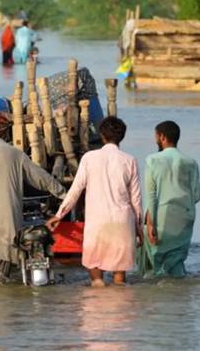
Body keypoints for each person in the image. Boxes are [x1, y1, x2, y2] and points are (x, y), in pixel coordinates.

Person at [0, 114, 67, 282]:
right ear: (7, 133)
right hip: (5, 214)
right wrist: (64, 194)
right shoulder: (16, 154)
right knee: (1, 265)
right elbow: (41, 178)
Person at [47, 117, 143, 286]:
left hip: (97, 223)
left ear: (102, 135)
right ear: (122, 137)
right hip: (122, 222)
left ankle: (96, 300)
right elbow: (136, 200)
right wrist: (139, 229)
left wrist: (59, 215)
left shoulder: (89, 158)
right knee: (120, 281)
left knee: (96, 278)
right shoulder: (130, 160)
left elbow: (75, 190)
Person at [137, 121, 200, 278]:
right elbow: (197, 196)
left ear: (162, 137)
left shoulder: (152, 160)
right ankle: (180, 298)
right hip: (185, 216)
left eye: (156, 137)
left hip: (162, 215)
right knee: (177, 261)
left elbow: (151, 196)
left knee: (155, 262)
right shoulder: (191, 162)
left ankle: (161, 299)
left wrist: (150, 222)